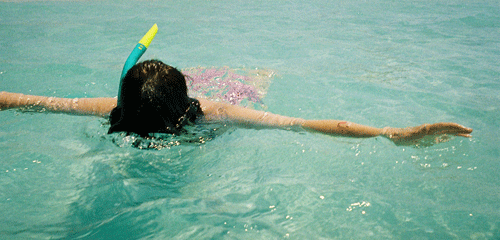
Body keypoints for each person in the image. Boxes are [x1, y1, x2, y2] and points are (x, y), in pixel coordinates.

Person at [0, 60, 472, 145]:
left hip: (163, 118)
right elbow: (305, 124)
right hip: (213, 113)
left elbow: (34, 102)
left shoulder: (113, 111)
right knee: (257, 78)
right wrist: (392, 133)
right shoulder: (217, 113)